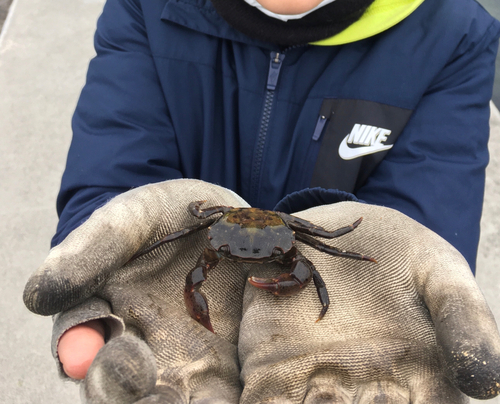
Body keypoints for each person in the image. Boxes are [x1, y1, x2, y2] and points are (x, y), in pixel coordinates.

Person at [23, 0, 500, 402]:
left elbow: (373, 239)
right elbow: (119, 181)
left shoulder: (455, 33)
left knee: (317, 267)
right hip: (221, 254)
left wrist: (379, 254)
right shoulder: (145, 9)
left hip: (290, 257)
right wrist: (113, 239)